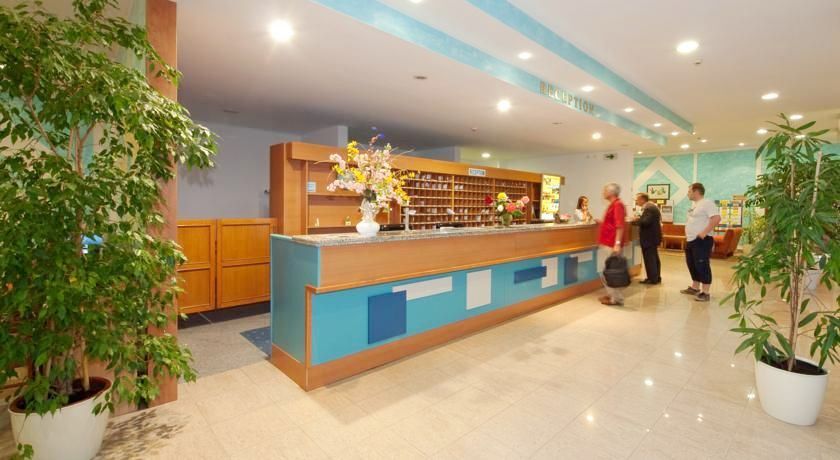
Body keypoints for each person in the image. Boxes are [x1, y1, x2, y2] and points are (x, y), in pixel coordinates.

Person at [681, 183, 721, 302]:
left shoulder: (707, 203)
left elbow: (716, 218)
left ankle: (705, 292)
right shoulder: (695, 205)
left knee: (702, 265)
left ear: (696, 191)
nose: (687, 194)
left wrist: (704, 233)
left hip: (702, 240)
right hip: (691, 240)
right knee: (692, 264)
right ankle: (695, 287)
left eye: (689, 191)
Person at [597, 183, 626, 306]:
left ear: (611, 192)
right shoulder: (613, 204)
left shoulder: (618, 205)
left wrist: (617, 244)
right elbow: (613, 224)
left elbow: (620, 226)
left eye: (605, 190)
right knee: (608, 270)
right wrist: (602, 223)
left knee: (608, 271)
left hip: (611, 243)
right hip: (608, 242)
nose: (603, 192)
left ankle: (616, 298)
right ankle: (612, 295)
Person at [633, 193, 662, 284]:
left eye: (637, 199)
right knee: (654, 258)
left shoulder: (649, 208)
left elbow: (645, 222)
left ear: (642, 199)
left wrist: (636, 220)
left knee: (650, 259)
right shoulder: (652, 207)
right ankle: (656, 277)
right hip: (652, 238)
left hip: (649, 238)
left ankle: (652, 279)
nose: (636, 201)